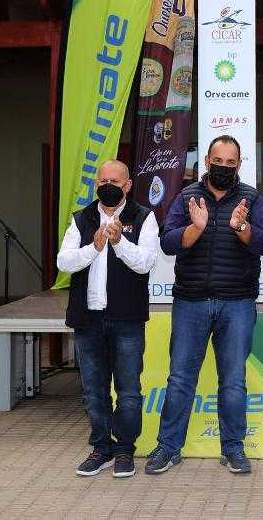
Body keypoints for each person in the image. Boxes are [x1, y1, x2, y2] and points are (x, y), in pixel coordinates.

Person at [147, 135, 263, 475]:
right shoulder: (187, 196)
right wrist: (195, 228)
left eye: (231, 162)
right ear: (206, 161)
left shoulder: (251, 198)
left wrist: (242, 226)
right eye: (219, 161)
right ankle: (168, 447)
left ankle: (233, 448)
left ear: (239, 164)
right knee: (180, 379)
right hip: (191, 302)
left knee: (233, 381)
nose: (224, 167)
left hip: (237, 303)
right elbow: (168, 242)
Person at [56, 159, 159, 478]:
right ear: (96, 184)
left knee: (128, 390)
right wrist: (95, 246)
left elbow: (146, 263)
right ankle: (101, 448)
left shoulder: (143, 217)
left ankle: (125, 450)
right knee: (93, 391)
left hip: (127, 319)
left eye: (116, 181)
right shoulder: (81, 218)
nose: (109, 186)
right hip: (88, 320)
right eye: (103, 181)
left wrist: (118, 242)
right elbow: (64, 262)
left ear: (128, 185)